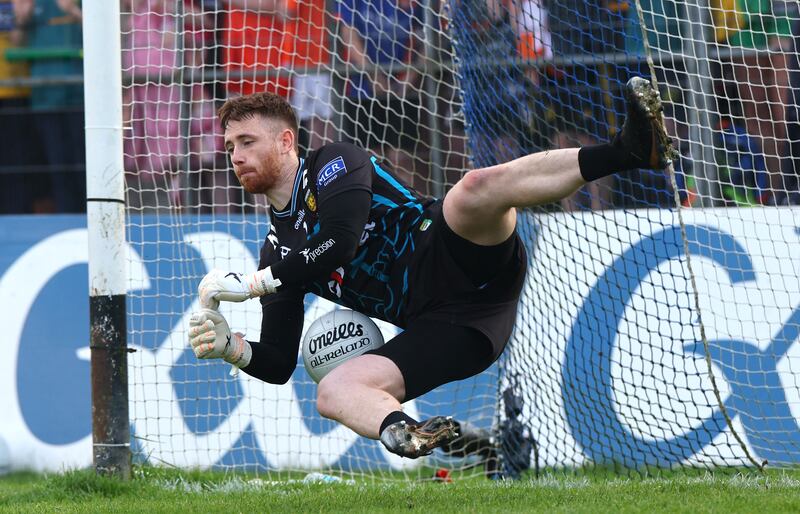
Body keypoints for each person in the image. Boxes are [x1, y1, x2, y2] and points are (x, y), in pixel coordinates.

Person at [187, 76, 674, 459]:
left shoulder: (335, 164)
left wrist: (254, 284)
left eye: (247, 142)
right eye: (230, 147)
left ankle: (628, 151)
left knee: (474, 188)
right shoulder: (278, 251)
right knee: (332, 391)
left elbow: (339, 240)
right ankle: (405, 432)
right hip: (452, 327)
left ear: (286, 141)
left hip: (456, 251)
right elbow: (277, 361)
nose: (236, 156)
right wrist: (230, 346)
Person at [13, 0, 84, 213]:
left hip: (81, 96)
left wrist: (73, 12)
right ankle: (66, 219)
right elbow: (17, 42)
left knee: (85, 164)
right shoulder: (32, 2)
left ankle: (92, 219)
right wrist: (22, 20)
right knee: (57, 167)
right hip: (45, 96)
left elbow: (105, 38)